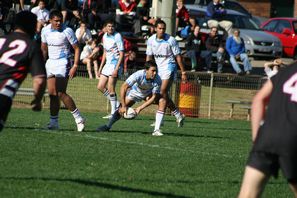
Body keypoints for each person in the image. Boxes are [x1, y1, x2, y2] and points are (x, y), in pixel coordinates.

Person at [238, 62, 297, 197]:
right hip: (293, 138)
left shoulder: (285, 71)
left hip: (267, 136)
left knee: (247, 194)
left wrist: (256, 137)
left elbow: (259, 99)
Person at [0, 11, 46, 131]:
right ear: (31, 26)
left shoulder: (1, 39)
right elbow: (39, 80)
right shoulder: (31, 46)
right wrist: (37, 100)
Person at [41, 9, 85, 131]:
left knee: (60, 93)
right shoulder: (45, 31)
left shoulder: (67, 31)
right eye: (56, 21)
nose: (59, 23)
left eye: (60, 21)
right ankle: (53, 122)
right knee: (53, 94)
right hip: (50, 63)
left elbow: (77, 48)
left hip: (63, 63)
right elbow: (44, 49)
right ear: (50, 20)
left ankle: (79, 118)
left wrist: (75, 65)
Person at [96, 61, 166, 136]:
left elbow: (154, 97)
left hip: (148, 94)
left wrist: (140, 108)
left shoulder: (158, 80)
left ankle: (156, 130)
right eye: (153, 71)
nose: (155, 73)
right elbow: (123, 87)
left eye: (156, 71)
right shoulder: (138, 75)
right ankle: (108, 126)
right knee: (120, 109)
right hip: (134, 93)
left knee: (163, 101)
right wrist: (123, 106)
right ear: (146, 71)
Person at [146, 19, 187, 128]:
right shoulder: (151, 40)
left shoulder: (171, 40)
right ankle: (177, 114)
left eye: (163, 28)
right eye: (159, 28)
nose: (162, 30)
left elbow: (178, 56)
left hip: (169, 67)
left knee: (162, 91)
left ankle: (165, 118)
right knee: (159, 95)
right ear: (155, 29)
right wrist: (147, 69)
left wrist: (183, 72)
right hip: (158, 69)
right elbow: (149, 56)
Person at [97, 19, 124, 119]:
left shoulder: (117, 36)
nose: (111, 28)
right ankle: (117, 104)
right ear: (105, 27)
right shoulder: (104, 36)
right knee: (100, 86)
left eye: (112, 26)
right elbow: (105, 52)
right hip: (107, 64)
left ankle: (113, 113)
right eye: (109, 26)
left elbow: (122, 53)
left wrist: (117, 68)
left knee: (111, 88)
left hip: (115, 64)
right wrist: (100, 67)